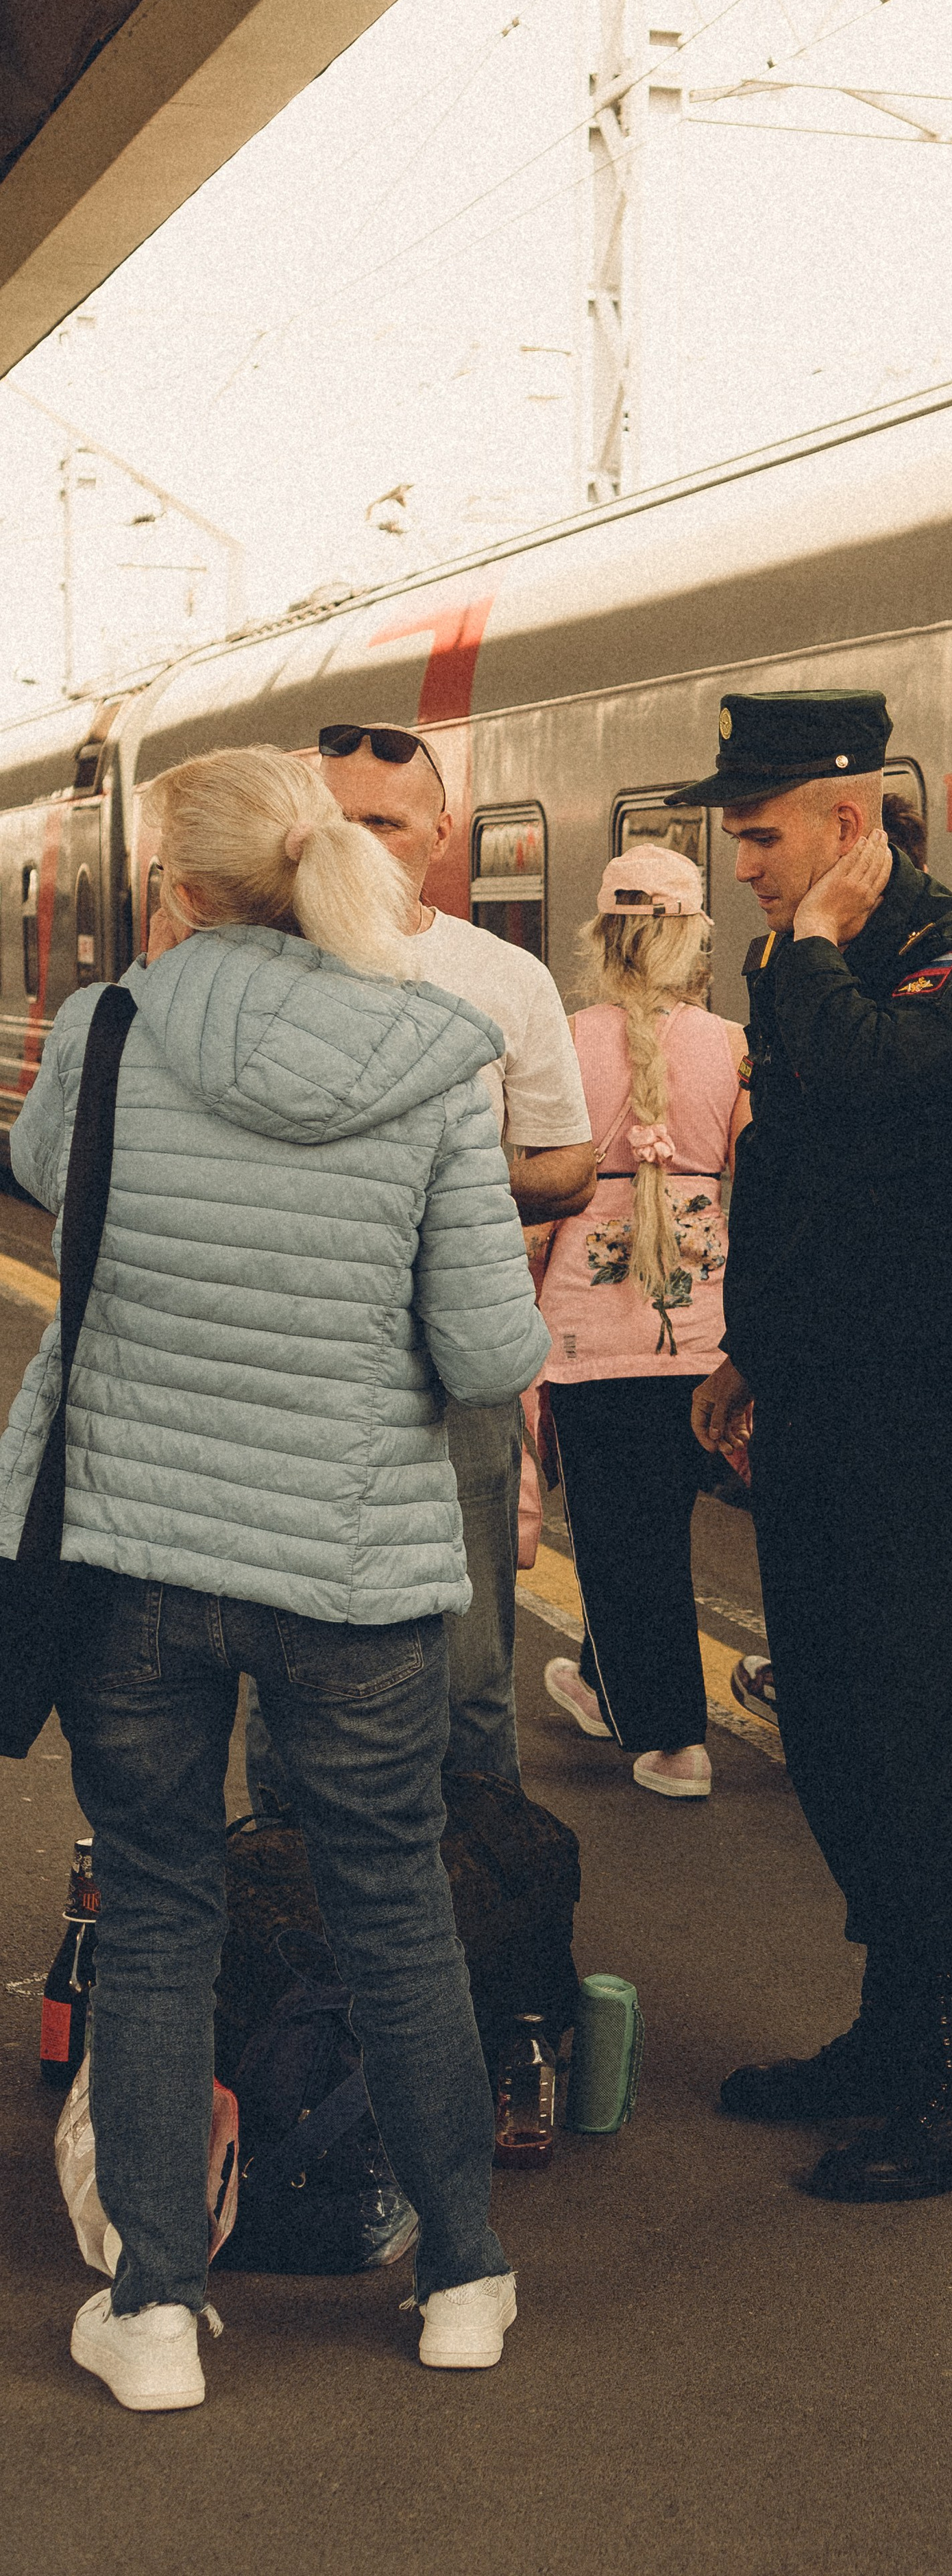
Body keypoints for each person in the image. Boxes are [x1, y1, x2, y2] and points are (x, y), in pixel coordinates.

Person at [0, 747, 551, 2409]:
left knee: (161, 1914)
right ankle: (463, 2279)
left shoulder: (105, 1038)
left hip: (136, 1551)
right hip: (348, 1564)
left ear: (168, 885)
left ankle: (156, 2312)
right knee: (391, 1909)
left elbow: (45, 1187)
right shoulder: (437, 1060)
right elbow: (482, 1349)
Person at [688, 689, 952, 2204]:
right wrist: (745, 1350)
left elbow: (858, 1084)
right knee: (831, 1725)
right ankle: (893, 2033)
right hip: (825, 1399)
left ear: (847, 824)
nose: (746, 872)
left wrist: (809, 951)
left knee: (910, 1734)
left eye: (764, 839)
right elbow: (790, 1172)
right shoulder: (816, 966)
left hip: (935, 1413)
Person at [245, 720, 594, 1808]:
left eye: (382, 823)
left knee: (471, 1663)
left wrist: (436, 1179)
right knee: (285, 1664)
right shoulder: (249, 970)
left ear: (440, 836)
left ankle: (480, 1901)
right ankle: (289, 1908)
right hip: (290, 1369)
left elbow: (572, 1167)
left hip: (455, 1365)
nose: (352, 844)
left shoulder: (502, 977)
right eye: (332, 824)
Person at [535, 845, 749, 1799]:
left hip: (586, 1338)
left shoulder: (562, 1042)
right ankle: (594, 1677)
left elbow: (539, 1206)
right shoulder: (734, 1046)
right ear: (694, 941)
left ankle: (672, 1742)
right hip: (697, 1332)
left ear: (604, 936)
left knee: (619, 1538)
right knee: (653, 1524)